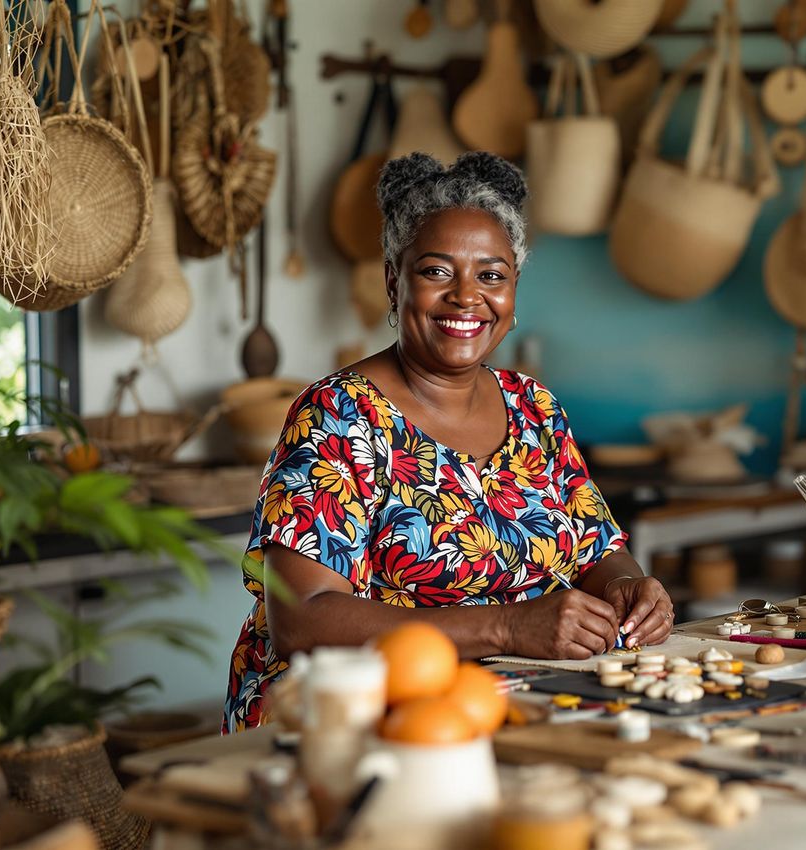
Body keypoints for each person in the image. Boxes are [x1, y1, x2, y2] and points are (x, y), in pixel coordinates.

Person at [223, 152, 673, 732]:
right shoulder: (339, 415)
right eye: (437, 271)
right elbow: (303, 623)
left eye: (491, 275)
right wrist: (509, 627)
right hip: (350, 717)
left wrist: (630, 593)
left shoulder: (533, 407)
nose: (467, 297)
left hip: (507, 697)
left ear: (513, 292)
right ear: (394, 281)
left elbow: (597, 550)